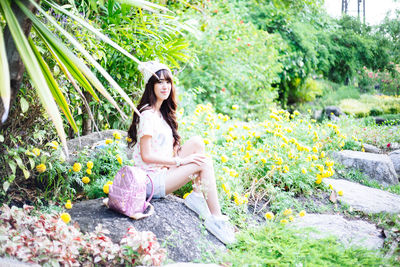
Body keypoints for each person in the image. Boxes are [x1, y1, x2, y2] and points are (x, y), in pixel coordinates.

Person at [127, 61, 235, 245]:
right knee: (204, 163)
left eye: (168, 82)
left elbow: (164, 148)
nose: (165, 86)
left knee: (197, 143)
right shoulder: (147, 115)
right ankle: (217, 219)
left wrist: (178, 157)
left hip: (162, 172)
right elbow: (146, 156)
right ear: (151, 86)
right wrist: (179, 162)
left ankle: (197, 197)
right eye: (159, 82)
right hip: (151, 181)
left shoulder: (161, 114)